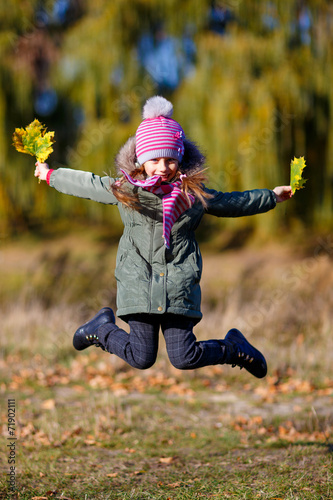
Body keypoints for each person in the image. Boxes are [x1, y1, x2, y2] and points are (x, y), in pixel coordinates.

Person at [35, 96, 293, 379]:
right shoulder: (127, 190)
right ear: (141, 161)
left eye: (170, 159)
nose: (163, 167)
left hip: (178, 285)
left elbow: (232, 202)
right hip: (139, 283)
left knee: (184, 357)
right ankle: (101, 329)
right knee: (141, 356)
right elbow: (88, 183)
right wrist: (51, 175)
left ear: (179, 159)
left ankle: (233, 348)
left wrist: (271, 197)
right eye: (154, 160)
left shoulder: (193, 196)